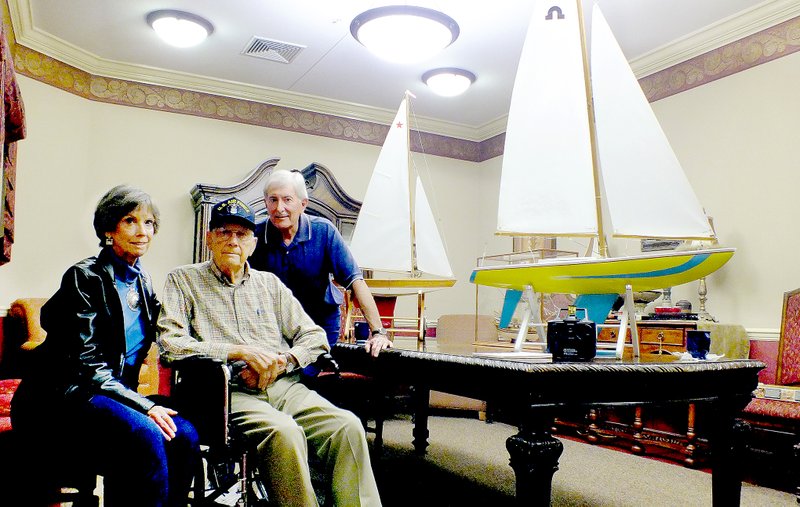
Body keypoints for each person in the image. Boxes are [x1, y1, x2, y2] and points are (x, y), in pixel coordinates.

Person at [157, 197, 382, 507]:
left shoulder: (269, 285)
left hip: (284, 385)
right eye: (224, 232)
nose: (232, 241)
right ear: (209, 238)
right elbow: (170, 344)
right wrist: (238, 352)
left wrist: (283, 361)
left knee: (347, 427)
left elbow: (314, 336)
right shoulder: (183, 280)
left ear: (252, 244)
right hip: (226, 393)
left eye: (242, 235)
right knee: (284, 433)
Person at [11, 185, 200, 507]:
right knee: (146, 432)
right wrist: (146, 406)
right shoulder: (84, 277)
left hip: (110, 394)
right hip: (62, 398)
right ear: (109, 228)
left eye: (150, 223)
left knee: (183, 434)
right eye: (131, 221)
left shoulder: (143, 281)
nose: (143, 231)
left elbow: (164, 335)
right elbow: (87, 366)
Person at [250, 168, 392, 360]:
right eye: (273, 200)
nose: (279, 207)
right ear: (266, 203)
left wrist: (378, 333)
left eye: (287, 199)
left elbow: (355, 280)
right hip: (273, 331)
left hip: (318, 328)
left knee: (299, 374)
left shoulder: (323, 231)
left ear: (303, 204)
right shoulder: (255, 236)